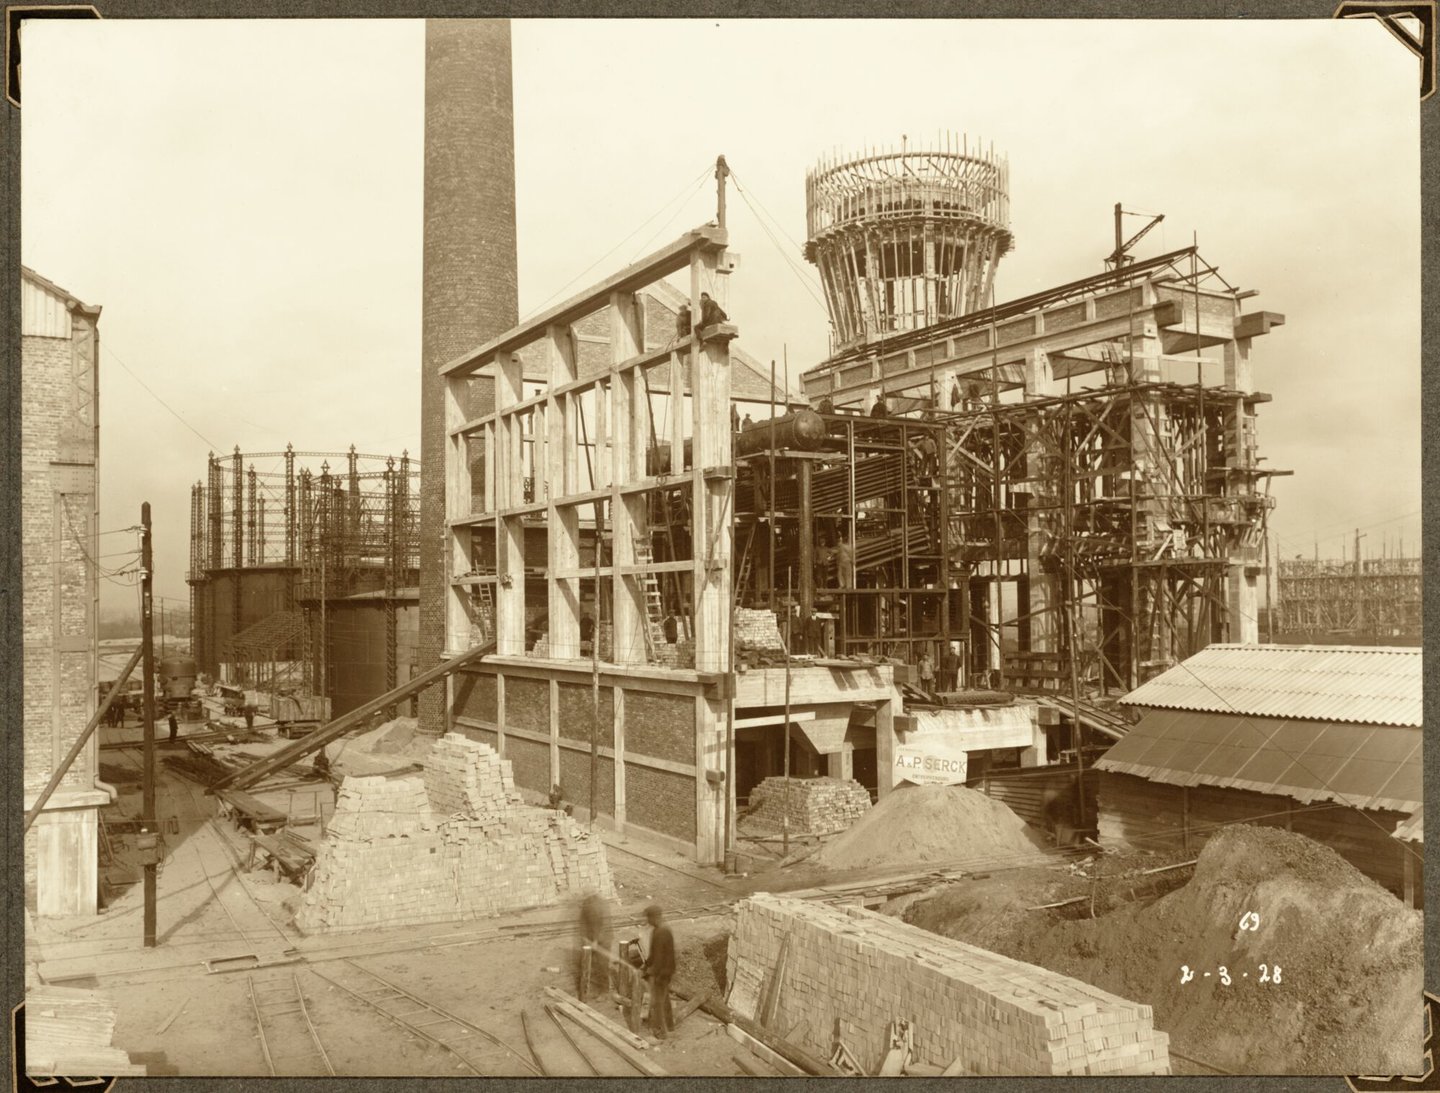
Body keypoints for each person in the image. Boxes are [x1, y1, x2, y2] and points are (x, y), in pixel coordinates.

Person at [642, 904, 675, 1041]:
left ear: (654, 917)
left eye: (648, 918)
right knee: (665, 1000)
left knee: (657, 1002)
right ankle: (670, 1025)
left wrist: (650, 972)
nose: (647, 921)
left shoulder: (662, 932)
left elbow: (660, 958)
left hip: (663, 972)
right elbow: (654, 954)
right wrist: (646, 965)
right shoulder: (658, 930)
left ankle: (660, 1033)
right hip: (663, 969)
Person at [578, 893, 613, 998]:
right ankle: (587, 989)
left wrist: (596, 941)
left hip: (604, 939)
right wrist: (584, 937)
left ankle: (604, 990)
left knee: (602, 964)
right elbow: (583, 923)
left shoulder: (602, 907)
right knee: (588, 963)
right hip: (591, 938)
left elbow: (605, 926)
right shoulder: (586, 905)